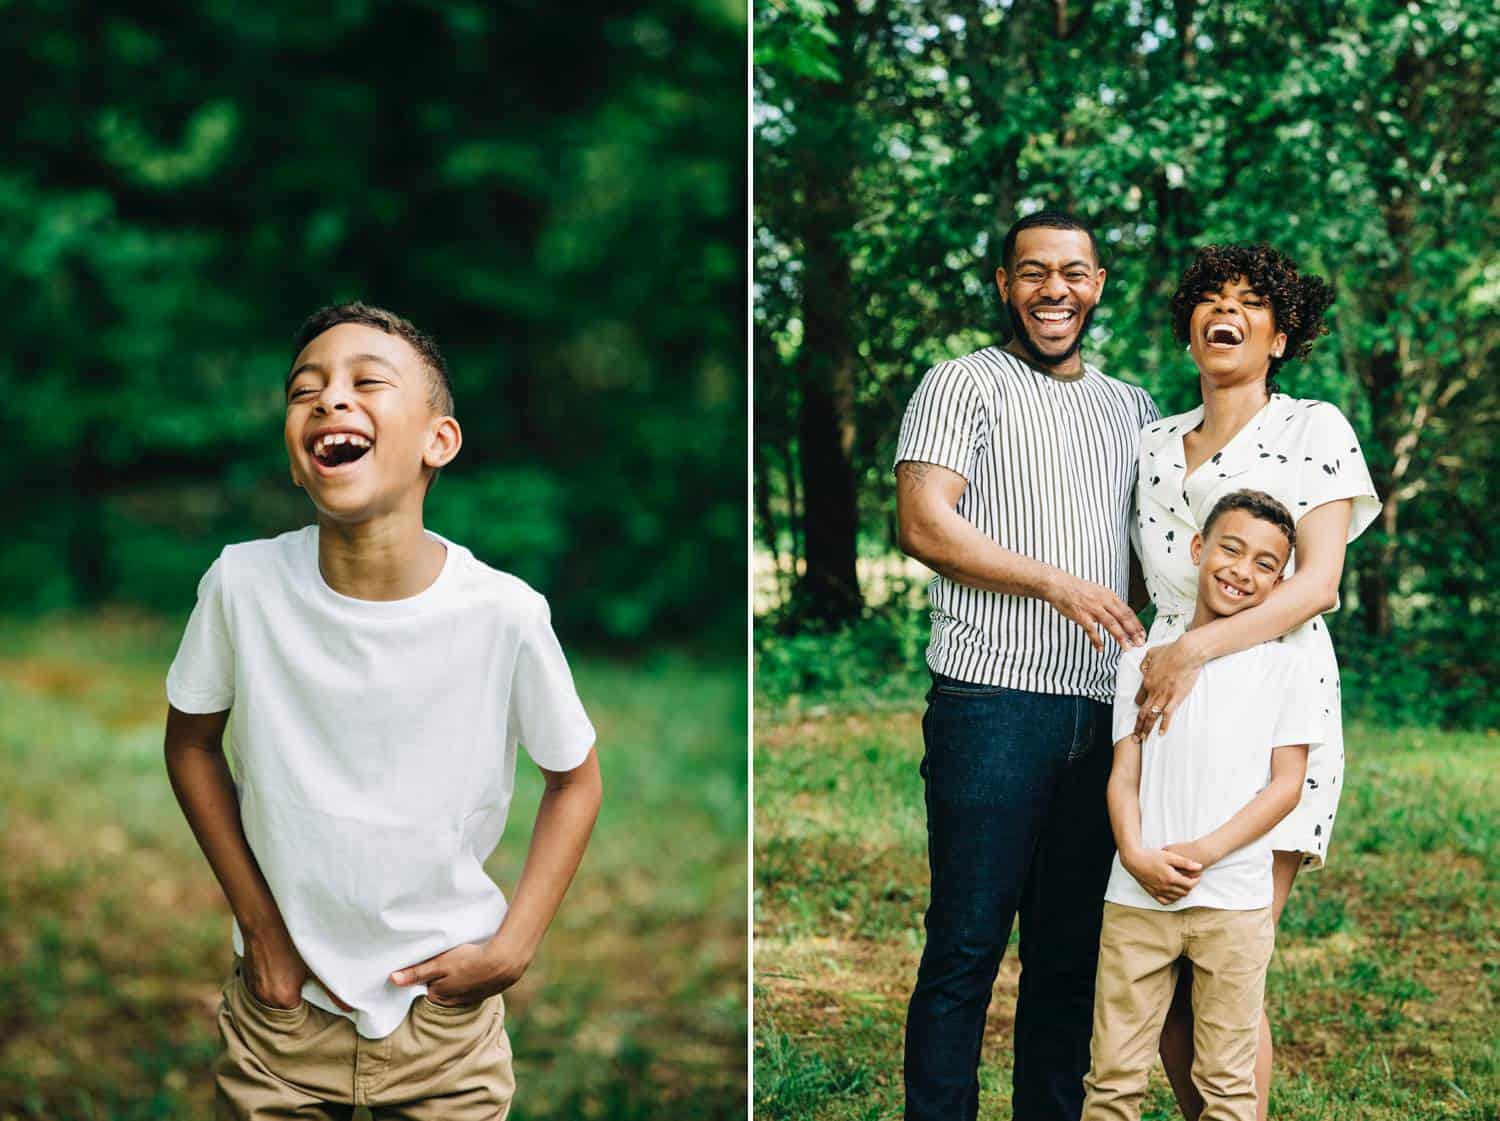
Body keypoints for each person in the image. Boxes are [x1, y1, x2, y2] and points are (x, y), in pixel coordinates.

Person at [163, 302, 603, 1119]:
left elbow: (575, 778)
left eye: (367, 381)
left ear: (439, 439)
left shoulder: (504, 613)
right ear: (299, 459)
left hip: (445, 1027)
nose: (330, 399)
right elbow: (189, 744)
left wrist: (511, 947)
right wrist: (261, 928)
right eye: (306, 390)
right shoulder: (242, 586)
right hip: (282, 1023)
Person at [894, 210, 1160, 1121]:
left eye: (1075, 273)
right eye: (1034, 272)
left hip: (1105, 713)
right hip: (993, 703)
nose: (1056, 290)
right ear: (1005, 284)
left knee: (1068, 959)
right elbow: (925, 523)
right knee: (965, 950)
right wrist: (1056, 583)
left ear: (1099, 284)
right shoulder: (961, 383)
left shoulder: (1135, 407)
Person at [1129, 245, 1380, 1119]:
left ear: (1279, 335)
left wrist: (1198, 650)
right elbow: (1149, 587)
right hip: (1161, 714)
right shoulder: (1153, 441)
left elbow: (1318, 583)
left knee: (1229, 958)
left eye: (1246, 300)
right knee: (1158, 961)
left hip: (1273, 704)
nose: (1222, 309)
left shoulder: (1314, 428)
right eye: (1206, 296)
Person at [1082, 489, 1318, 1121]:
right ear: (1198, 548)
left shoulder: (1287, 671)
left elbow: (1286, 786)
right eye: (1231, 549)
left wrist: (1204, 852)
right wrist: (1134, 852)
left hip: (1234, 905)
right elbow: (1123, 775)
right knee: (1112, 1079)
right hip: (1137, 899)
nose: (1242, 571)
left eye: (1265, 563)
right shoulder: (1140, 665)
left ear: (1280, 580)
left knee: (1228, 1086)